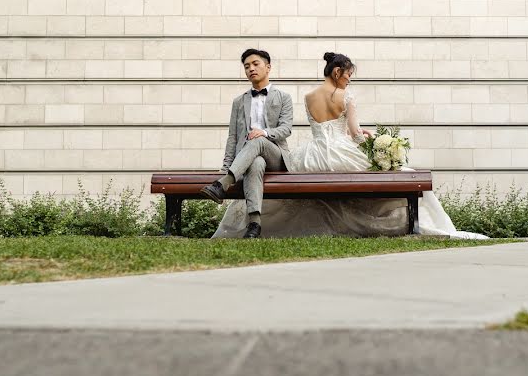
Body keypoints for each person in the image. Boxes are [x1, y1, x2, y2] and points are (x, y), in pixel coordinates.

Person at [211, 52, 488, 240]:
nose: (350, 79)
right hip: (340, 150)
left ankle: (235, 194)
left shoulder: (308, 97)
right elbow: (354, 134)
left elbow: (317, 127)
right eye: (348, 74)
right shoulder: (346, 96)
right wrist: (371, 140)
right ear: (338, 71)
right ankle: (412, 221)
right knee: (402, 170)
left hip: (314, 154)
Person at [199, 48, 294, 238]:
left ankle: (223, 184)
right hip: (249, 160)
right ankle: (254, 225)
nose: (251, 69)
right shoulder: (239, 102)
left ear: (268, 67)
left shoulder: (283, 97)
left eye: (255, 64)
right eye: (246, 66)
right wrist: (226, 167)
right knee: (256, 162)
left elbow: (286, 129)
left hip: (276, 157)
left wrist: (264, 132)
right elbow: (233, 137)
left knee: (257, 139)